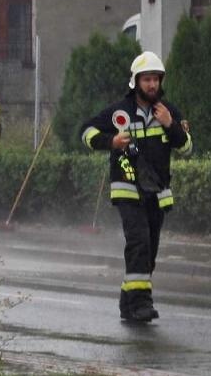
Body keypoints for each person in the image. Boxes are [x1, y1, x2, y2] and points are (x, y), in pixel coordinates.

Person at [80, 51, 193, 323]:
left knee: (149, 251)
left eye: (155, 79)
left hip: (157, 190)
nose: (152, 85)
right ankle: (142, 304)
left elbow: (187, 148)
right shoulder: (119, 111)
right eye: (147, 79)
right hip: (128, 188)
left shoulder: (168, 112)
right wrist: (111, 142)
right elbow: (86, 132)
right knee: (139, 242)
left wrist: (170, 125)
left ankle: (127, 301)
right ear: (136, 81)